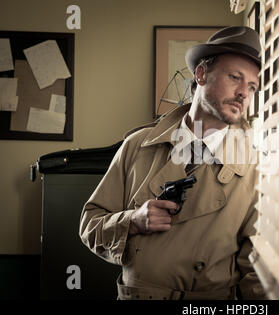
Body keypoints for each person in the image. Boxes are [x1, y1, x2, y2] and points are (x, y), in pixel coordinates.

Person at [79, 26, 265, 300]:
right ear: (201, 74)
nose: (243, 93)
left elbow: (255, 270)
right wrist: (132, 221)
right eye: (235, 77)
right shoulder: (137, 145)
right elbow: (89, 225)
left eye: (251, 86)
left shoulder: (256, 165)